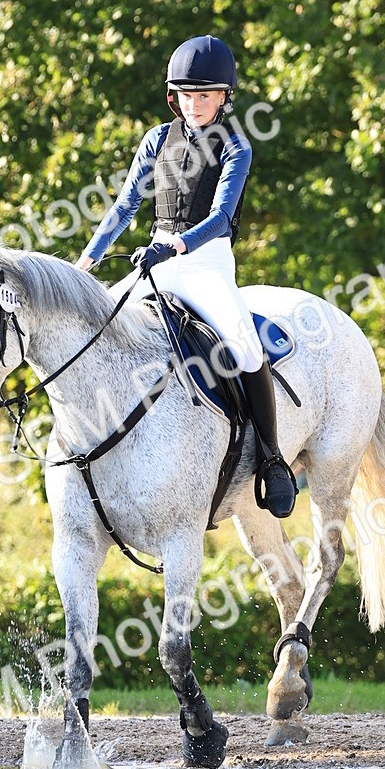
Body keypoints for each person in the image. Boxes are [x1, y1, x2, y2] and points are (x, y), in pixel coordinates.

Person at [77, 34, 297, 518]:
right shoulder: (157, 139)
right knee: (93, 331)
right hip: (155, 257)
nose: (194, 104)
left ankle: (273, 458)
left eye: (205, 95)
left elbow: (220, 218)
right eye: (186, 95)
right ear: (173, 96)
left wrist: (174, 245)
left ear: (224, 97)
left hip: (205, 263)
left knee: (245, 346)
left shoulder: (236, 146)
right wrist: (87, 261)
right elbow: (125, 204)